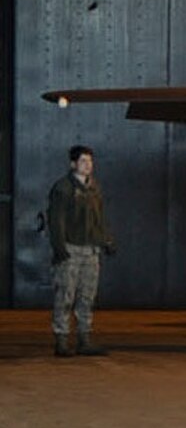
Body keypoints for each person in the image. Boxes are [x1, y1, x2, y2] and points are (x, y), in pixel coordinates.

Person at [47, 144, 116, 357]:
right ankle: (61, 339)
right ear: (73, 164)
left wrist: (107, 240)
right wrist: (60, 249)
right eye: (83, 161)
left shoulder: (94, 188)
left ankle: (84, 339)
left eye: (90, 161)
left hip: (91, 249)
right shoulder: (63, 188)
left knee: (87, 296)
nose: (88, 166)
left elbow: (99, 217)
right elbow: (56, 220)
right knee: (65, 295)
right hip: (71, 248)